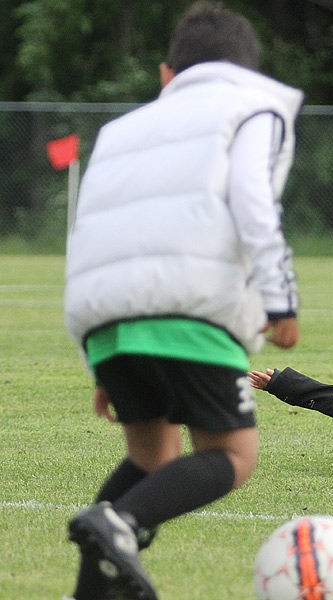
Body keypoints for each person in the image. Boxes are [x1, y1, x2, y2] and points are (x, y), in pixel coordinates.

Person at [62, 3, 303, 599]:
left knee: (152, 457)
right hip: (191, 313)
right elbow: (252, 198)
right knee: (233, 455)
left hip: (109, 320)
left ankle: (87, 594)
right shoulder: (254, 107)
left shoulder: (123, 129)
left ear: (168, 75)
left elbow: (93, 229)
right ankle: (121, 524)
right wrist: (280, 300)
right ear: (247, 69)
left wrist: (106, 352)